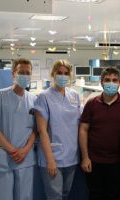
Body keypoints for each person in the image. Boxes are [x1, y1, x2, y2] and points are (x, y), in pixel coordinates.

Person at [79, 67, 120, 200]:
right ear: (101, 82)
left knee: (115, 195)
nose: (111, 83)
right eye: (107, 80)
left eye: (115, 80)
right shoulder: (91, 103)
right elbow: (83, 130)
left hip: (118, 161)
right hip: (94, 161)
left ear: (119, 83)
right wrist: (85, 158)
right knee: (95, 195)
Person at [0, 58, 37, 200]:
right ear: (13, 74)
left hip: (25, 158)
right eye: (21, 72)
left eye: (28, 72)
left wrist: (25, 150)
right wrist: (12, 150)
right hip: (3, 157)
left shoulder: (34, 100)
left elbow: (36, 130)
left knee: (25, 197)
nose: (25, 75)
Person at [34, 59, 81, 200]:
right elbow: (42, 131)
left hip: (71, 156)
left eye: (66, 73)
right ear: (53, 74)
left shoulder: (74, 96)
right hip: (52, 156)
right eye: (59, 72)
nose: (63, 75)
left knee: (65, 195)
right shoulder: (44, 97)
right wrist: (50, 160)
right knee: (54, 197)